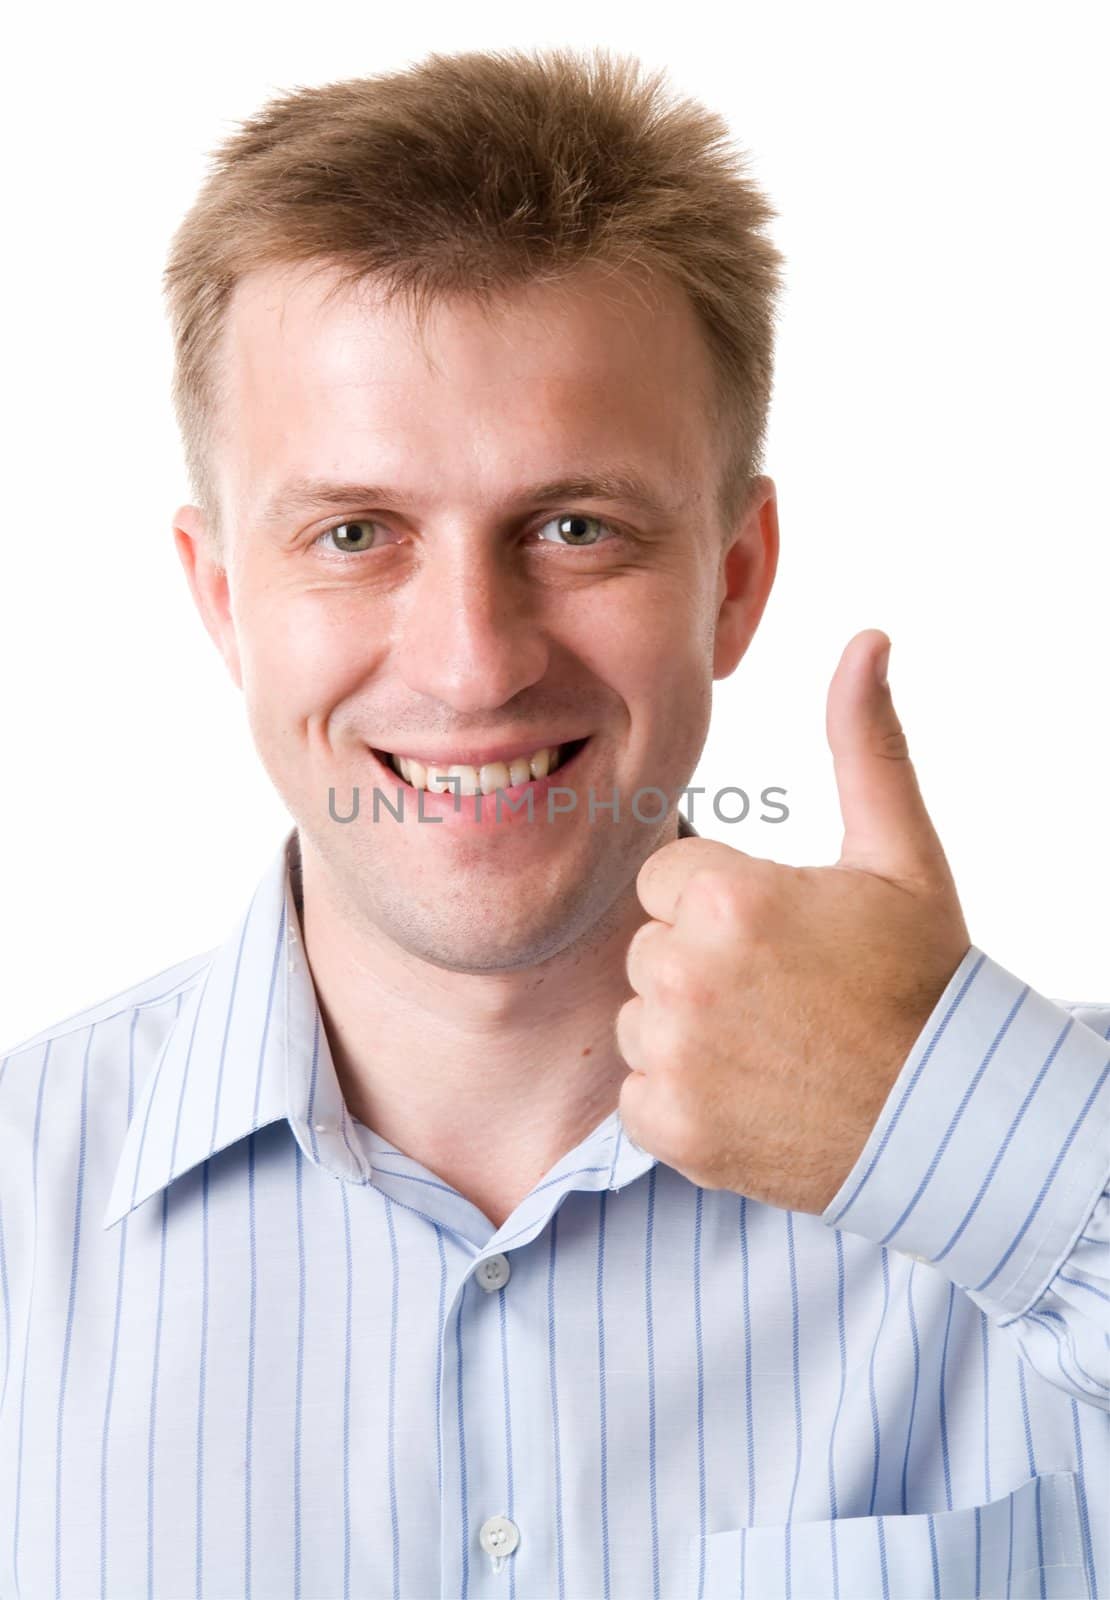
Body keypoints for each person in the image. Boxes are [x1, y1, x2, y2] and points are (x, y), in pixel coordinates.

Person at [1, 45, 1106, 1600]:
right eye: (355, 533)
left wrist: (967, 1142)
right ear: (221, 597)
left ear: (733, 578)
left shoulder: (1060, 1166)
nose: (471, 660)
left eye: (573, 527)